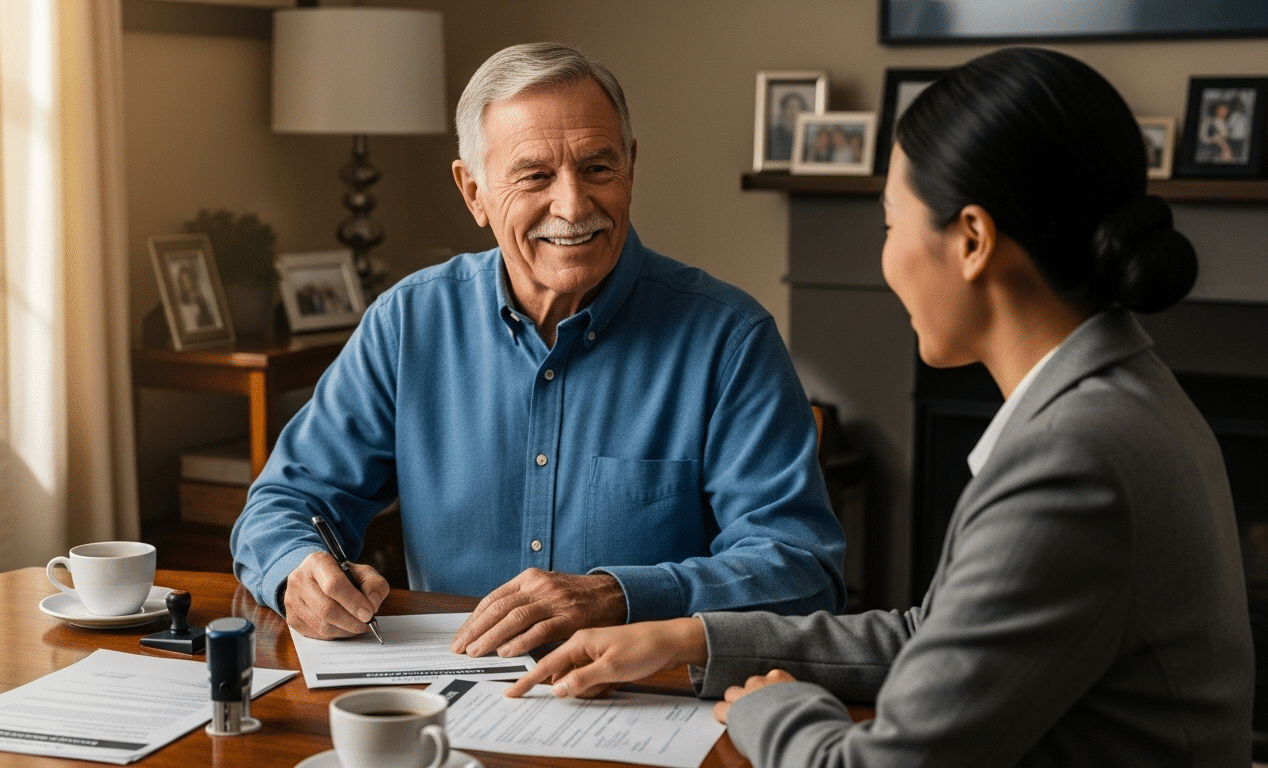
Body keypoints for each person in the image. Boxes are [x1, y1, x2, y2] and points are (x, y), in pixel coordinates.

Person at [507, 47, 1254, 767]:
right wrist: (691, 640)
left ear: (971, 241)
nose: (885, 258)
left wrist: (775, 705)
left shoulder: (1072, 461)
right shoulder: (1124, 393)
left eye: (891, 224)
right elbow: (938, 636)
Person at [230, 42, 845, 659]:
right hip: (450, 699)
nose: (573, 206)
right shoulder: (408, 323)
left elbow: (801, 571)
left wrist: (618, 596)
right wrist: (297, 573)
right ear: (473, 192)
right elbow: (285, 503)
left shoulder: (730, 340)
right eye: (535, 176)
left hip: (645, 701)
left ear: (630, 166)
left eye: (598, 168)